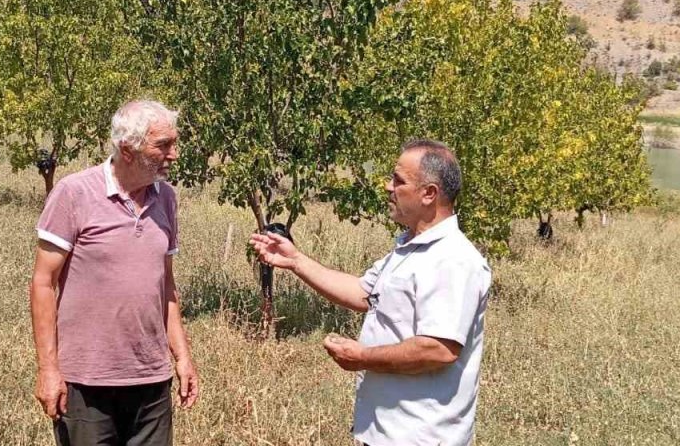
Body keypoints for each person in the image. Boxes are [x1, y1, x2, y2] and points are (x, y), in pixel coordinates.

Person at [251, 140, 491, 446]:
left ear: (429, 194)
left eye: (398, 180)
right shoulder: (410, 248)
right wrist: (296, 261)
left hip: (421, 437)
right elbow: (364, 292)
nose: (388, 186)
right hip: (386, 433)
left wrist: (363, 357)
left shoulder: (453, 260)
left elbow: (439, 349)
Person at [29, 100, 199, 446]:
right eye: (163, 145)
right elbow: (43, 283)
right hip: (87, 384)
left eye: (174, 143)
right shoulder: (74, 193)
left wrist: (182, 357)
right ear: (128, 149)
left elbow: (166, 287)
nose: (174, 154)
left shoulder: (165, 198)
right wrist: (48, 370)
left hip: (151, 381)